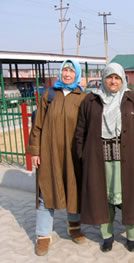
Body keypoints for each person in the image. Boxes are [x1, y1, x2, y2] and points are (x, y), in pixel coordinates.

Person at [75, 62, 134, 253]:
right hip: (98, 160)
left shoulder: (132, 100)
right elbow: (80, 131)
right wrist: (82, 155)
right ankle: (107, 237)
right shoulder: (91, 100)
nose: (113, 81)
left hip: (125, 160)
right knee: (104, 199)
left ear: (123, 79)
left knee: (128, 199)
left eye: (117, 77)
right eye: (110, 77)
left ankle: (131, 237)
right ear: (103, 78)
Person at [26, 60, 87, 256]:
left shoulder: (83, 98)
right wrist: (35, 151)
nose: (67, 74)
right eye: (65, 70)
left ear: (77, 74)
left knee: (73, 189)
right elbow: (38, 125)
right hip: (49, 153)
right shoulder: (49, 95)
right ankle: (43, 236)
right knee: (46, 192)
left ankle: (74, 227)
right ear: (60, 73)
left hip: (72, 156)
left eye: (71, 71)